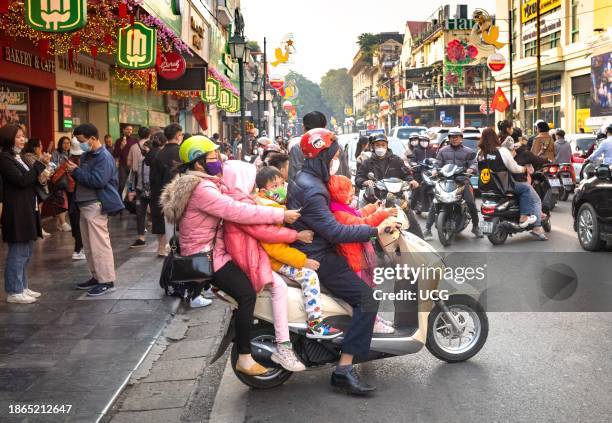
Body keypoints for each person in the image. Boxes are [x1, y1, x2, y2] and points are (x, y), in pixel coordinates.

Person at [159, 136, 302, 376]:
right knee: (246, 294)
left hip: (210, 251)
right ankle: (244, 357)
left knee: (247, 292)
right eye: (213, 158)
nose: (220, 162)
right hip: (208, 256)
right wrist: (279, 216)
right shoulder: (201, 188)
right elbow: (235, 211)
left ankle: (245, 336)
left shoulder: (197, 183)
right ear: (198, 163)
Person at [287, 128, 383, 395]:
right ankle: (343, 369)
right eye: (333, 156)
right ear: (322, 156)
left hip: (314, 248)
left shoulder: (303, 178)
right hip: (319, 256)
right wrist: (374, 230)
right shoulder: (313, 190)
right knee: (368, 299)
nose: (336, 161)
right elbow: (336, 231)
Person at [223, 161, 307, 372]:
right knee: (279, 288)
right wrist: (296, 234)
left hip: (251, 255)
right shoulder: (240, 204)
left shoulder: (238, 200)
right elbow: (264, 232)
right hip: (251, 258)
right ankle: (284, 345)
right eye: (250, 179)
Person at [255, 166, 342, 339]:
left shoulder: (275, 206)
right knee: (309, 276)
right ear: (263, 191)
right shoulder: (269, 212)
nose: (281, 187)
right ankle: (315, 323)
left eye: (282, 183)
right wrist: (303, 261)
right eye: (275, 186)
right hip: (275, 261)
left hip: (279, 256)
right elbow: (275, 248)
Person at [327, 174, 396, 334]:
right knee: (365, 295)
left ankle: (375, 318)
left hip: (359, 257)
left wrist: (374, 206)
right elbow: (362, 223)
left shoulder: (342, 208)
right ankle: (372, 323)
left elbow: (358, 214)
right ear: (339, 194)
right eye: (349, 194)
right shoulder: (339, 214)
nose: (352, 197)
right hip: (354, 260)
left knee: (368, 291)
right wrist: (383, 214)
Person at [68, 123, 124, 296]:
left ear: (92, 138)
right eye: (77, 141)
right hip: (84, 203)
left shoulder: (104, 157)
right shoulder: (86, 155)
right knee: (89, 245)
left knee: (99, 244)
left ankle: (106, 280)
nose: (80, 144)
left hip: (95, 204)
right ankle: (96, 276)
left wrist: (76, 172)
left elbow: (98, 180)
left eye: (82, 140)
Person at [0, 125, 50, 303]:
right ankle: (14, 291)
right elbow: (21, 181)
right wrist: (39, 164)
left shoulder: (19, 157)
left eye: (23, 136)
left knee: (27, 250)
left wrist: (40, 168)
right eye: (19, 137)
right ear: (9, 138)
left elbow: (31, 179)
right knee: (18, 250)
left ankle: (22, 286)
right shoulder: (4, 158)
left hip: (29, 206)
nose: (23, 140)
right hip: (16, 209)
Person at [478, 129, 546, 239]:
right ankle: (524, 217)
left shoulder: (480, 154)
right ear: (495, 138)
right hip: (503, 186)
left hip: (486, 188)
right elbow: (514, 168)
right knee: (526, 189)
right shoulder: (502, 151)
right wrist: (524, 169)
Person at [355, 133, 422, 238]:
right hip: (376, 200)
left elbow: (406, 174)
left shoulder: (396, 160)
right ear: (373, 146)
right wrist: (365, 182)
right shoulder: (367, 163)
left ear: (387, 146)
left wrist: (411, 181)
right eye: (377, 145)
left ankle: (420, 243)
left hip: (397, 198)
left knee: (410, 217)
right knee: (367, 225)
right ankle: (374, 247)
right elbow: (358, 178)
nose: (380, 147)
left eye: (383, 144)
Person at [423, 127, 482, 240]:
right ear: (449, 138)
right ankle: (427, 229)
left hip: (462, 181)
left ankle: (475, 226)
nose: (454, 139)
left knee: (471, 202)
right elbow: (437, 164)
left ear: (461, 138)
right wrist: (435, 170)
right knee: (435, 202)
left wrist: (471, 169)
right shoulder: (442, 151)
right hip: (445, 181)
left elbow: (474, 164)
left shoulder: (468, 151)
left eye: (457, 137)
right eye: (452, 137)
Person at [150, 123, 183, 256]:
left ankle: (164, 248)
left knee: (165, 223)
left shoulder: (159, 154)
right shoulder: (181, 152)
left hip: (162, 195)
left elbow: (154, 179)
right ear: (178, 136)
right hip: (179, 195)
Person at [127, 127, 152, 248]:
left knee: (140, 210)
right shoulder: (153, 147)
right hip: (151, 182)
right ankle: (163, 240)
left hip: (138, 181)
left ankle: (141, 236)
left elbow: (129, 164)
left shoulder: (133, 147)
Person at [145, 131, 168, 257]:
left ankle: (160, 246)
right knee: (164, 219)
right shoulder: (161, 154)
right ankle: (163, 247)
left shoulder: (150, 154)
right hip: (162, 189)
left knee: (157, 219)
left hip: (153, 189)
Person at [288, 111, 327, 181]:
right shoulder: (336, 147)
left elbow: (293, 178)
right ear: (325, 127)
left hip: (306, 191)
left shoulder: (297, 148)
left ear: (303, 127)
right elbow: (345, 174)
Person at [51, 136, 72, 232]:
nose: (66, 145)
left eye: (68, 143)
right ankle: (63, 223)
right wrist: (63, 165)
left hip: (68, 180)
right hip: (59, 180)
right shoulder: (56, 153)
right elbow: (53, 166)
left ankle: (60, 223)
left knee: (66, 200)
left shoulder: (70, 153)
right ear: (60, 144)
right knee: (61, 201)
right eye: (64, 143)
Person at [113, 125, 138, 196]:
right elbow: (115, 154)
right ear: (123, 130)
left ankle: (129, 201)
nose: (129, 131)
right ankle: (120, 201)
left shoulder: (135, 141)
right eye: (127, 129)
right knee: (122, 184)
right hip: (122, 166)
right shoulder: (118, 141)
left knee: (131, 184)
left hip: (132, 166)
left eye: (131, 129)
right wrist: (121, 146)